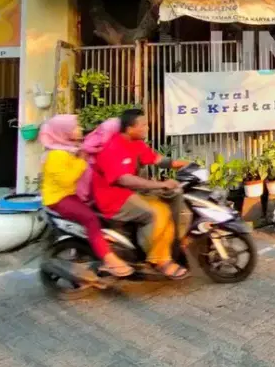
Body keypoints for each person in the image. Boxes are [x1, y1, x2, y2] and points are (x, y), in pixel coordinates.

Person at [91, 108, 191, 280]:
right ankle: (160, 261)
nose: (147, 128)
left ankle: (171, 246)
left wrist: (182, 163)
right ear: (130, 128)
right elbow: (124, 180)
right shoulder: (112, 148)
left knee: (166, 204)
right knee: (156, 212)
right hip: (113, 199)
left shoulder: (136, 143)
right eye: (143, 125)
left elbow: (155, 159)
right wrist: (159, 184)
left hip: (130, 194)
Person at [39, 115, 133, 277]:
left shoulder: (69, 148)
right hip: (59, 199)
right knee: (91, 219)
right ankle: (109, 259)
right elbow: (67, 179)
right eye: (74, 127)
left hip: (69, 194)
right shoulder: (57, 155)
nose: (79, 130)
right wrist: (81, 161)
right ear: (63, 132)